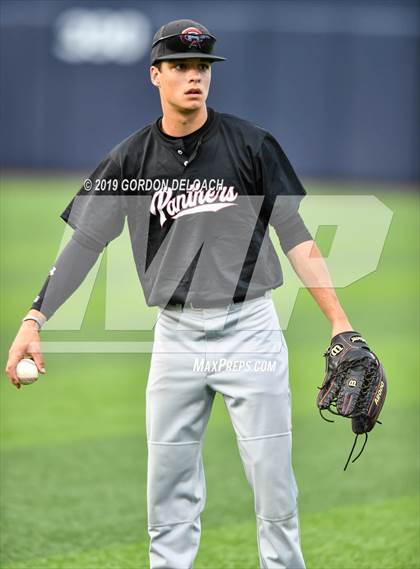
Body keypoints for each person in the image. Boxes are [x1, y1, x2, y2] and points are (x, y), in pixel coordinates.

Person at [5, 19, 354, 569]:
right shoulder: (130, 160)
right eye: (181, 67)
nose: (194, 77)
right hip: (177, 337)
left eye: (202, 68)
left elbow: (298, 238)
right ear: (156, 75)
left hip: (251, 328)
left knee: (274, 484)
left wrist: (340, 321)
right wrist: (34, 319)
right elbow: (85, 243)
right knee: (167, 490)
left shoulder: (252, 145)